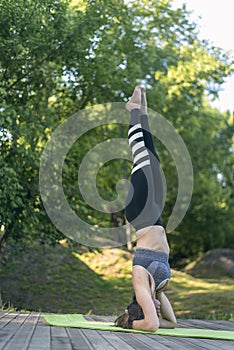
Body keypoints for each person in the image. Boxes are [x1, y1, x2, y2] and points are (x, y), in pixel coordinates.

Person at [114, 86, 177, 332]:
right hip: (155, 217)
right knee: (153, 160)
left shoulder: (140, 280)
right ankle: (143, 115)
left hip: (140, 213)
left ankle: (132, 113)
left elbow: (151, 325)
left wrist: (129, 322)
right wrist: (155, 299)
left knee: (142, 157)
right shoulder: (157, 287)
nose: (158, 310)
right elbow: (170, 324)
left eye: (150, 307)